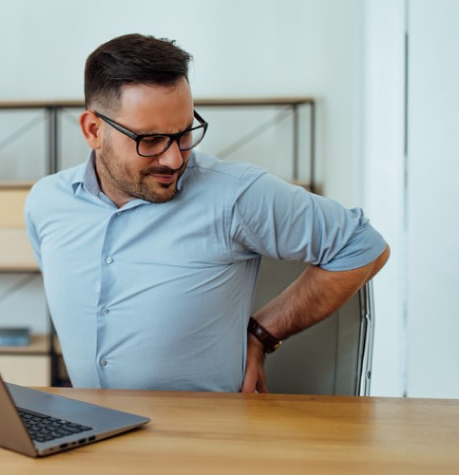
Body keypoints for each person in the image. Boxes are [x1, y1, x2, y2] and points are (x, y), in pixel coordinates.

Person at [24, 33, 390, 393]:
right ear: (93, 130)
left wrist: (263, 334)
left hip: (203, 440)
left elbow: (361, 245)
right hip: (92, 433)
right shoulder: (47, 203)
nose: (173, 158)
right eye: (149, 140)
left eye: (184, 133)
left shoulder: (235, 195)